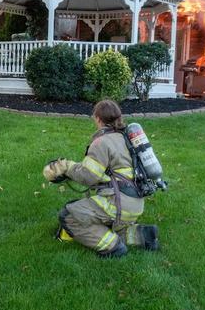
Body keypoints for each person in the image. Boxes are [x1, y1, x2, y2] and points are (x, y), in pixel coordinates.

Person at [43, 100, 159, 258]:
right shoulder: (124, 137)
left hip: (117, 203)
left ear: (98, 118)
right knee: (109, 223)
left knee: (69, 214)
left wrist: (66, 167)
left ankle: (112, 246)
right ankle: (144, 235)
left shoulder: (101, 142)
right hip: (135, 203)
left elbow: (88, 176)